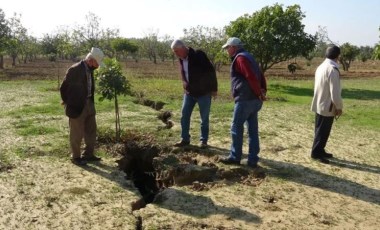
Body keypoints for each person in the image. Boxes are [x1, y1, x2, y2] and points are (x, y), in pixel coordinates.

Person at [219, 37, 267, 168]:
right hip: (254, 100)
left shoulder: (240, 58)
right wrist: (262, 92)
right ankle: (252, 160)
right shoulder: (249, 56)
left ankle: (235, 157)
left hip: (245, 100)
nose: (227, 50)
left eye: (227, 48)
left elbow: (251, 76)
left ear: (233, 47)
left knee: (236, 128)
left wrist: (259, 92)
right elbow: (260, 74)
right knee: (252, 130)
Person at [60, 47, 104, 165]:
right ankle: (76, 157)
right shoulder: (75, 70)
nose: (98, 66)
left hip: (89, 103)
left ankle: (88, 154)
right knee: (76, 133)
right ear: (90, 60)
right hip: (77, 106)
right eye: (97, 63)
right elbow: (63, 88)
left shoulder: (90, 70)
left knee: (91, 130)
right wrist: (67, 101)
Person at [171, 39, 218, 148]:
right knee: (184, 116)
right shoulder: (181, 58)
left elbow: (211, 71)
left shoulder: (199, 55)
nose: (175, 54)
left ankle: (203, 141)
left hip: (203, 93)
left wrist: (214, 89)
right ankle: (185, 139)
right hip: (189, 93)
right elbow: (185, 73)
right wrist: (185, 86)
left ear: (183, 48)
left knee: (204, 118)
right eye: (174, 52)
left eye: (176, 51)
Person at [311, 45, 343, 164]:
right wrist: (339, 107)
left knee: (320, 129)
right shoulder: (332, 69)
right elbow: (335, 93)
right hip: (327, 105)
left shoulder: (321, 66)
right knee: (322, 131)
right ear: (337, 56)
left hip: (319, 103)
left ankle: (320, 150)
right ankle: (316, 153)